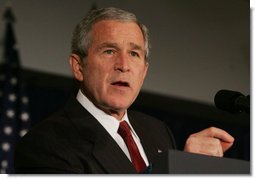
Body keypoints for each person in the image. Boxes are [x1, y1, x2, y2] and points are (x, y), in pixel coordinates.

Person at [14, 7, 234, 174]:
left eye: (134, 54)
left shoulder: (157, 131)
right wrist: (180, 169)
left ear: (144, 71)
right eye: (109, 51)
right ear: (78, 67)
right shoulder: (45, 144)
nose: (124, 65)